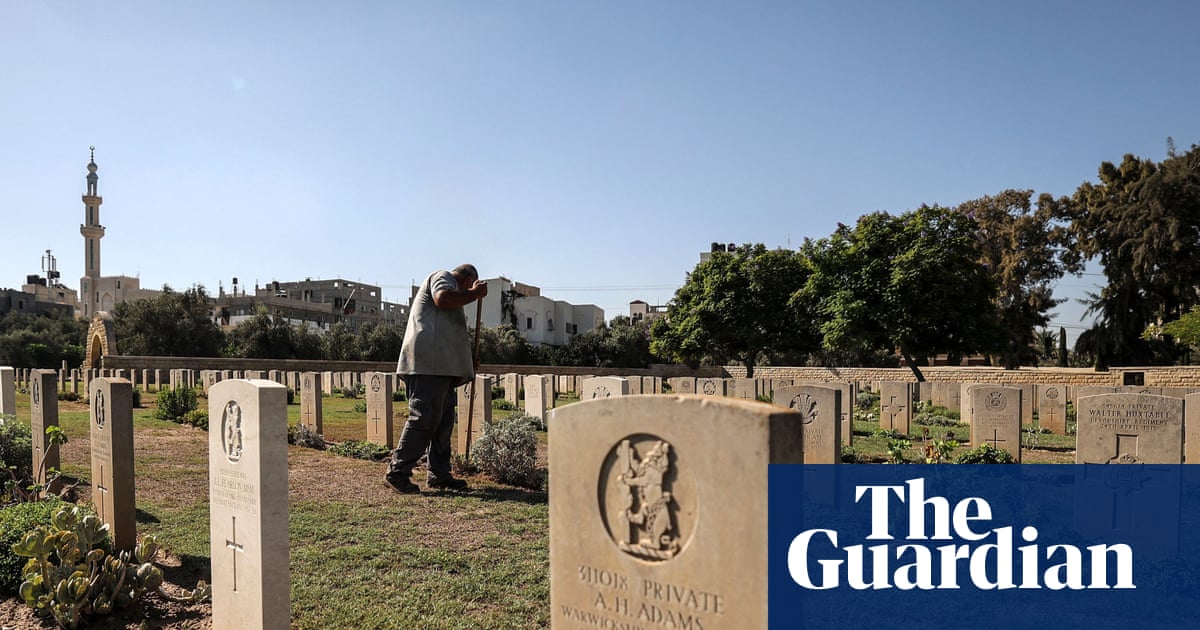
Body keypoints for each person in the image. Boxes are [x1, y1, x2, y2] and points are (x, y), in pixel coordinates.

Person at [385, 263, 488, 493]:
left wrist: (466, 360)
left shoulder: (456, 290)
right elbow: (442, 299)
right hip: (427, 364)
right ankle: (398, 472)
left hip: (441, 367)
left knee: (443, 423)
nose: (468, 294)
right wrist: (473, 294)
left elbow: (447, 332)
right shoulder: (443, 277)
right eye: (469, 286)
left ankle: (439, 474)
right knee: (425, 418)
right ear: (466, 279)